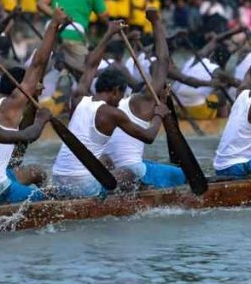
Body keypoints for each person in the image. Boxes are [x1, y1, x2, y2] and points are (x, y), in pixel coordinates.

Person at [0, 9, 67, 204]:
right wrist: (53, 25)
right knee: (55, 200)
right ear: (20, 90)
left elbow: (20, 151)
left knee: (38, 172)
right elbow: (37, 65)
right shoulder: (9, 108)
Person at [50, 65, 168, 199]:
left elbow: (90, 65)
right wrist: (159, 114)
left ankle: (105, 192)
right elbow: (149, 137)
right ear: (116, 91)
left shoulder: (77, 101)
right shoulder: (113, 113)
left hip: (57, 179)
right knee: (128, 173)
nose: (119, 102)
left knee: (107, 160)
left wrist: (105, 42)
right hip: (83, 187)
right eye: (121, 96)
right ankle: (124, 205)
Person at [104, 9, 187, 189]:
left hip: (115, 171)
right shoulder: (143, 103)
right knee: (186, 175)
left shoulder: (111, 106)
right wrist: (156, 22)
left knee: (157, 165)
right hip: (133, 171)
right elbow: (163, 61)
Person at [37, 0, 108, 67]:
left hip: (51, 32)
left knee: (42, 67)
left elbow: (41, 4)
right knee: (84, 71)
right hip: (74, 34)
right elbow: (104, 17)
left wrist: (57, 16)